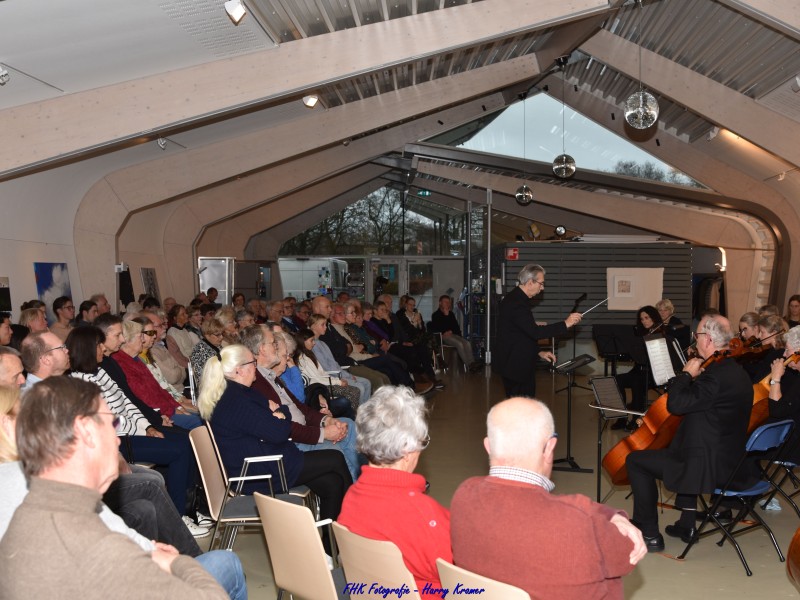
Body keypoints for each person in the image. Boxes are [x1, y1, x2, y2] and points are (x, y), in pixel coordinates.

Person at [0, 377, 231, 599]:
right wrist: (176, 562)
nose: (119, 439)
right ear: (87, 433)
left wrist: (147, 553)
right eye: (113, 424)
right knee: (226, 564)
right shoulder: (97, 544)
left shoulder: (38, 506)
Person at [450, 397, 645, 599]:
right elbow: (627, 552)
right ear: (550, 447)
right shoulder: (573, 521)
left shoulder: (463, 495)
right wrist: (616, 517)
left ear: (488, 446)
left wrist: (608, 514)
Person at [625, 314, 754, 551]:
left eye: (697, 336)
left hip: (706, 466)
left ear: (707, 340)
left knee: (635, 460)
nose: (695, 341)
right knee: (683, 441)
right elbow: (707, 405)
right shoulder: (737, 372)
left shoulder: (715, 377)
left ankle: (649, 533)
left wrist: (684, 376)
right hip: (731, 459)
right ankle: (686, 524)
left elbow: (676, 405)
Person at [198, 344, 352, 527]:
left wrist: (278, 415)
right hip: (260, 472)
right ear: (239, 370)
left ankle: (329, 546)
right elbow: (279, 432)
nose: (256, 367)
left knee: (331, 482)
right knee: (335, 457)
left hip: (268, 459)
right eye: (252, 362)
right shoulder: (238, 401)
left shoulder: (237, 393)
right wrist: (281, 413)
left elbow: (275, 424)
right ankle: (355, 520)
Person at [337, 386, 451, 591]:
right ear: (407, 450)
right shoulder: (424, 514)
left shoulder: (351, 497)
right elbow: (455, 573)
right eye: (422, 441)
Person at [240, 324, 361, 482]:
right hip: (293, 442)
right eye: (273, 344)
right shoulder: (256, 382)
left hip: (303, 431)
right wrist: (323, 433)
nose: (276, 347)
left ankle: (357, 483)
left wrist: (326, 420)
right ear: (262, 349)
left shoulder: (269, 376)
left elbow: (300, 406)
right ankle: (353, 489)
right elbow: (283, 425)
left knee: (348, 425)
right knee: (335, 449)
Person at [494, 264, 582, 397]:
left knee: (524, 407)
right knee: (521, 409)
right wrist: (566, 324)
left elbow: (522, 333)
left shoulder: (517, 298)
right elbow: (535, 332)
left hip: (517, 362)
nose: (542, 287)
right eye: (541, 283)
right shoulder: (516, 303)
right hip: (516, 366)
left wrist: (538, 351)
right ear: (530, 282)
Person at [612, 305, 662, 431]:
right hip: (639, 369)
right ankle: (622, 418)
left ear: (654, 318)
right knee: (617, 380)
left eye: (647, 318)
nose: (644, 321)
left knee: (636, 382)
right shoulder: (639, 335)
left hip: (653, 372)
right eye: (642, 319)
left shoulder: (661, 333)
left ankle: (636, 418)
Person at [429, 294, 482, 372]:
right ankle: (469, 365)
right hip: (443, 336)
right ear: (440, 303)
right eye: (445, 302)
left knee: (467, 343)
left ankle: (472, 363)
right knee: (459, 344)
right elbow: (439, 328)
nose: (447, 304)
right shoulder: (435, 315)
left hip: (453, 335)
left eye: (448, 302)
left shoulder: (451, 314)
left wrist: (452, 331)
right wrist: (446, 317)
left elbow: (456, 327)